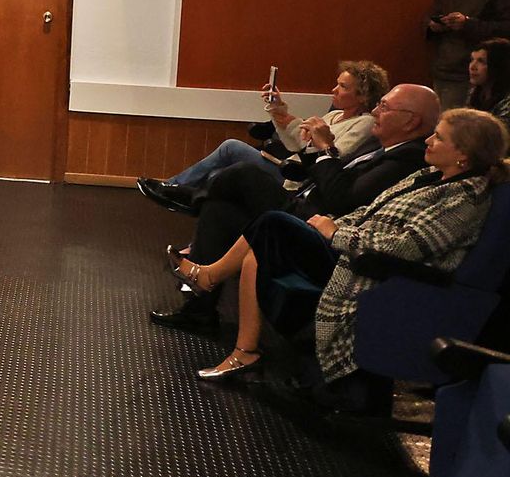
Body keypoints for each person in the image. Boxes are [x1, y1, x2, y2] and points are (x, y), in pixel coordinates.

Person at [172, 108, 504, 413]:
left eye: (439, 137)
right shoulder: (428, 176)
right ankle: (245, 352)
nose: (429, 140)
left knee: (271, 222)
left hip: (370, 268)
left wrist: (334, 234)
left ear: (463, 153)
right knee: (257, 243)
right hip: (351, 247)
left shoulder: (464, 198)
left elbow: (407, 247)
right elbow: (368, 212)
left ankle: (210, 276)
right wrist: (333, 224)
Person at [149, 84, 437, 333]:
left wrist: (325, 149)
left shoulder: (406, 158)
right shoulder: (383, 148)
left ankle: (189, 198)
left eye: (384, 107)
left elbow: (341, 198)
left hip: (322, 226)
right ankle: (199, 312)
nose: (376, 111)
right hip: (309, 200)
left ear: (410, 121)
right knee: (221, 209)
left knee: (242, 173)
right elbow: (332, 174)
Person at [137, 61, 386, 212]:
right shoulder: (334, 117)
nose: (334, 90)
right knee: (217, 175)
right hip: (292, 169)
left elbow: (333, 156)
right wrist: (278, 110)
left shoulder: (365, 124)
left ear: (363, 95)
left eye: (343, 86)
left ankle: (176, 187)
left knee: (231, 148)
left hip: (300, 180)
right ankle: (184, 202)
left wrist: (312, 138)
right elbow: (295, 143)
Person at [466, 37, 510, 121]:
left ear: (498, 66)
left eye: (481, 61)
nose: (472, 67)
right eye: (472, 60)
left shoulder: (507, 102)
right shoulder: (475, 94)